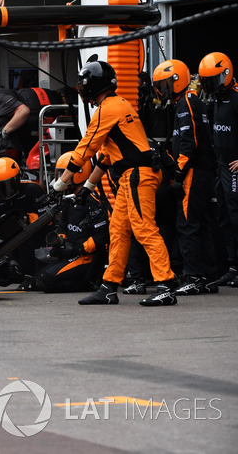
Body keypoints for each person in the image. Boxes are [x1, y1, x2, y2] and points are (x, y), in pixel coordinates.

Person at [53, 59, 177, 306]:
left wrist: (60, 184)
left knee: (144, 228)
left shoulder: (107, 109)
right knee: (118, 230)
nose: (80, 88)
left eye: (83, 84)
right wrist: (87, 187)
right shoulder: (120, 104)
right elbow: (108, 156)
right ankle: (109, 287)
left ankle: (166, 284)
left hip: (138, 175)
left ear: (92, 85)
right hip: (133, 175)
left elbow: (86, 148)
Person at [152, 59, 219, 295]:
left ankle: (192, 276)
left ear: (177, 80)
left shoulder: (187, 102)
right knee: (202, 224)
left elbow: (189, 141)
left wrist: (178, 172)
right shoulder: (186, 102)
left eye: (165, 84)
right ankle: (208, 276)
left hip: (193, 172)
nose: (162, 90)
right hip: (202, 171)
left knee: (188, 224)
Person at [35, 152, 108, 293]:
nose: (63, 178)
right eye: (62, 174)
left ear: (80, 173)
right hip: (71, 253)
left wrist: (79, 248)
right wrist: (61, 242)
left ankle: (91, 281)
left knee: (44, 280)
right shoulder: (70, 199)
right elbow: (63, 226)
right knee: (36, 276)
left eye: (66, 174)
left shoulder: (92, 201)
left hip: (86, 257)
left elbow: (102, 235)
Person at [201, 52, 238, 288]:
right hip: (222, 166)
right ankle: (233, 267)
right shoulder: (215, 99)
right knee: (224, 217)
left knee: (236, 216)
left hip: (235, 168)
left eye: (212, 80)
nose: (209, 86)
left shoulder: (236, 97)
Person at [0, 157, 51, 289]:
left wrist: (27, 218)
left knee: (23, 231)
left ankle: (30, 271)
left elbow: (48, 219)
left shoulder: (34, 189)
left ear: (17, 179)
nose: (5, 191)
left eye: (8, 185)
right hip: (10, 240)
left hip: (36, 236)